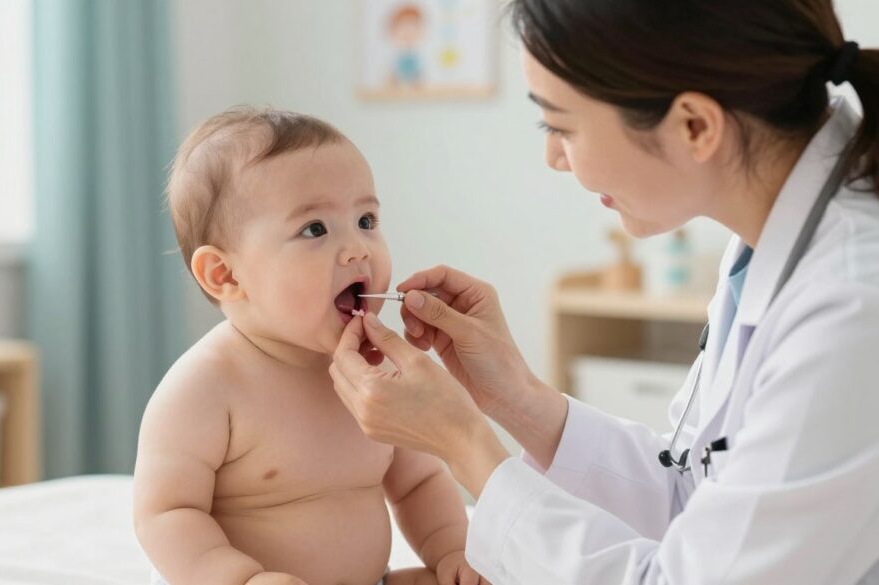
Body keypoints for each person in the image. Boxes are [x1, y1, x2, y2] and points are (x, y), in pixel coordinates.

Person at [330, 1, 879, 583]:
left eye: (561, 126)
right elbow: (695, 492)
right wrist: (514, 395)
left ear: (695, 125)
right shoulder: (770, 243)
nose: (554, 158)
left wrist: (463, 442)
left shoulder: (851, 302)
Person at [133, 107, 484, 585]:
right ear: (226, 275)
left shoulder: (376, 378)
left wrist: (452, 552)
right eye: (315, 229)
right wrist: (241, 578)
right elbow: (166, 513)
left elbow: (419, 482)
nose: (358, 247)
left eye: (366, 219)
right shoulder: (206, 387)